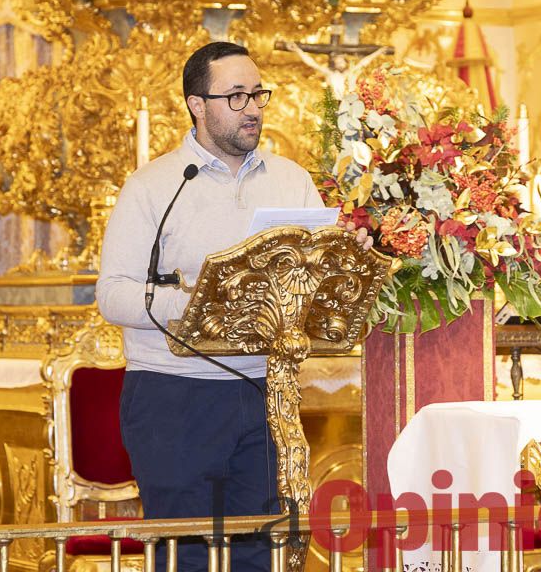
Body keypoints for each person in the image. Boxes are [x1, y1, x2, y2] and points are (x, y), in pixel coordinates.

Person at [97, 41, 368, 572]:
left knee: (256, 554)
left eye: (258, 95)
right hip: (173, 396)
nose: (253, 108)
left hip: (264, 393)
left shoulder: (292, 179)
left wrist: (346, 259)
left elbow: (316, 273)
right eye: (236, 96)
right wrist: (204, 300)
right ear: (198, 105)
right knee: (187, 557)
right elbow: (113, 292)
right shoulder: (155, 186)